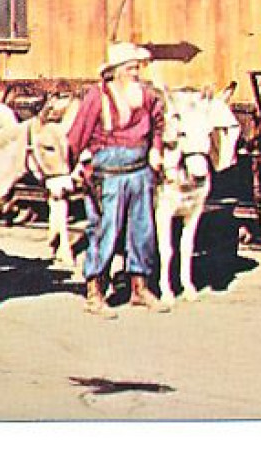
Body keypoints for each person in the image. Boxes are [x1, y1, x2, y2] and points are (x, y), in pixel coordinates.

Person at [67, 42, 169, 316]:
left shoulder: (147, 97)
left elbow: (158, 124)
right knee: (104, 231)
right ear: (115, 72)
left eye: (137, 68)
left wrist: (156, 150)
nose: (135, 73)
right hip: (107, 175)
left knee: (143, 230)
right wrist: (70, 167)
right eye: (130, 68)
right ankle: (95, 291)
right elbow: (77, 134)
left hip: (140, 171)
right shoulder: (96, 98)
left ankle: (140, 287)